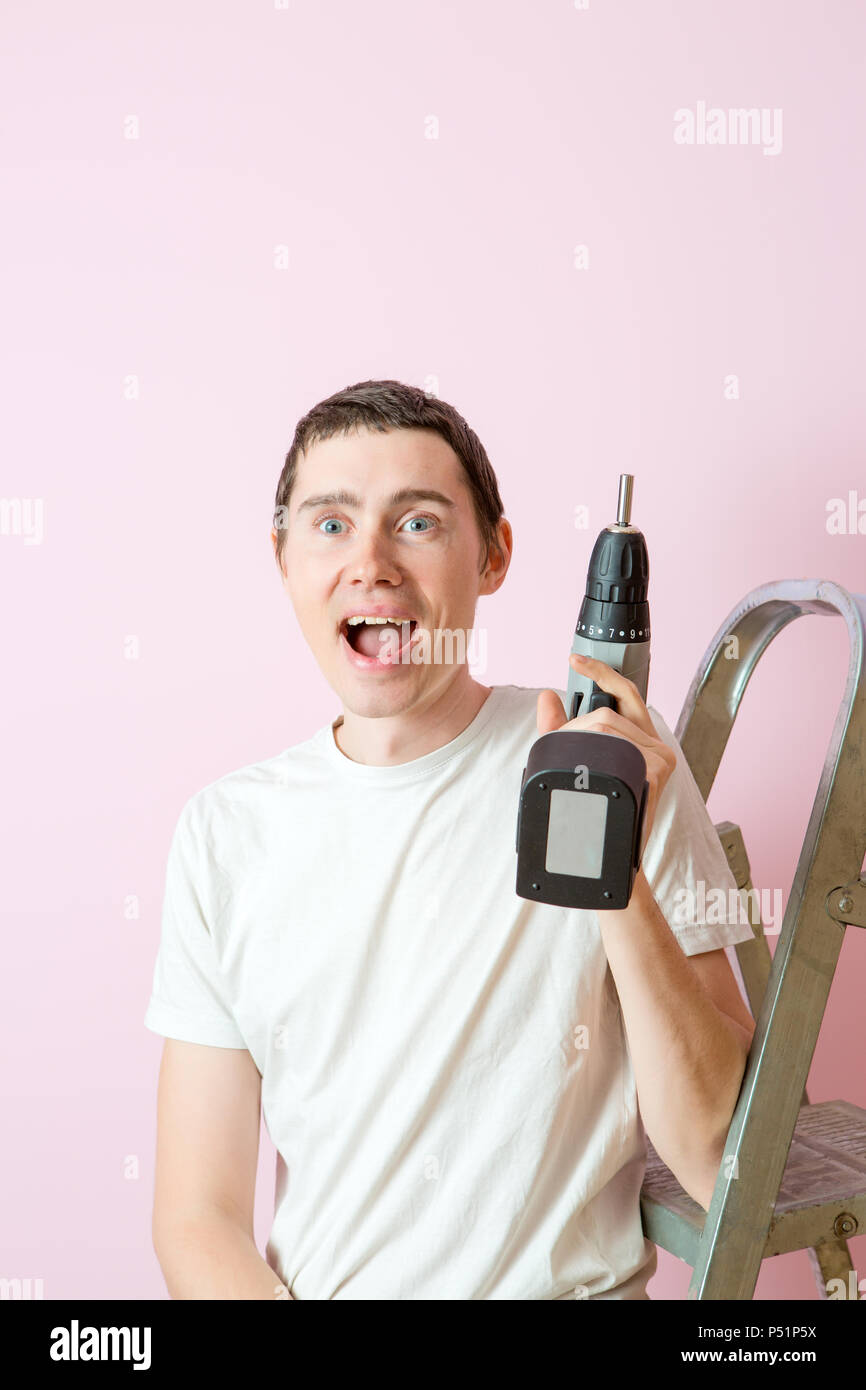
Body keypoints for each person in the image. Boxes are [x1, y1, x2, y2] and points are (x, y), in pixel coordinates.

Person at [145, 379, 756, 1300]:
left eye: (419, 522)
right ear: (282, 557)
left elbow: (715, 1158)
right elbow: (197, 1218)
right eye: (330, 524)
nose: (372, 563)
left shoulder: (614, 762)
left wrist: (610, 864)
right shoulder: (225, 833)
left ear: (494, 554)